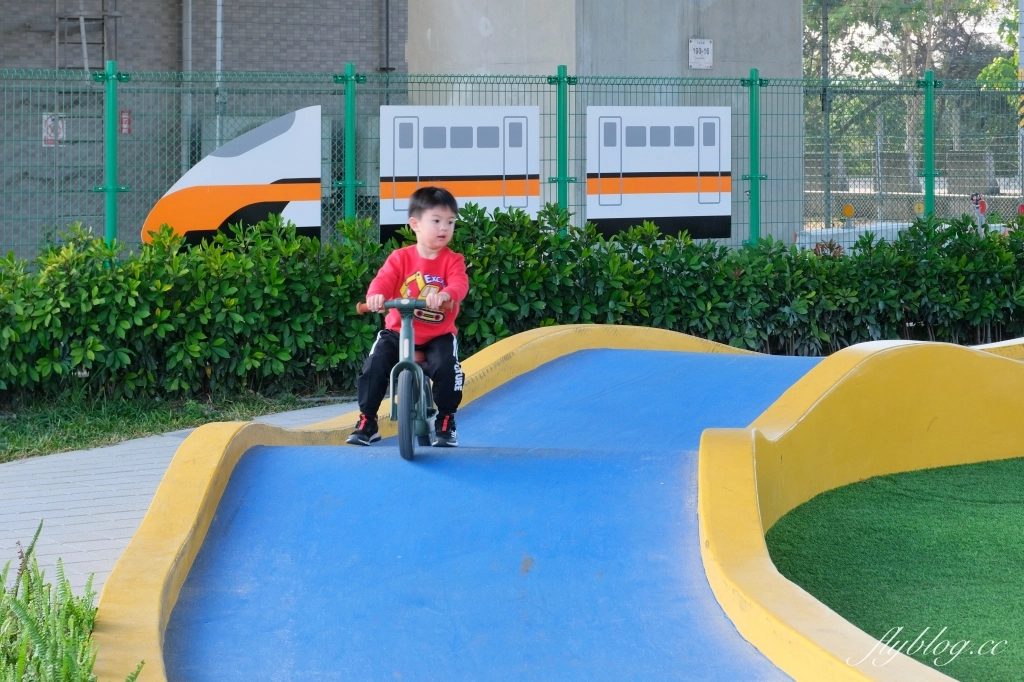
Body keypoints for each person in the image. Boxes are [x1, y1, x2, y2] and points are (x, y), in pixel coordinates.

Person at [347, 186, 468, 447]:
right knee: (374, 365)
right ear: (415, 224)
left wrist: (446, 295)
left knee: (448, 367)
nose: (444, 227)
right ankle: (367, 420)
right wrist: (376, 297)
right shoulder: (400, 258)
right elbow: (383, 281)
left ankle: (446, 419)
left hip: (437, 335)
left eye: (450, 222)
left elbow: (460, 284)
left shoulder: (452, 260)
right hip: (398, 332)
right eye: (436, 221)